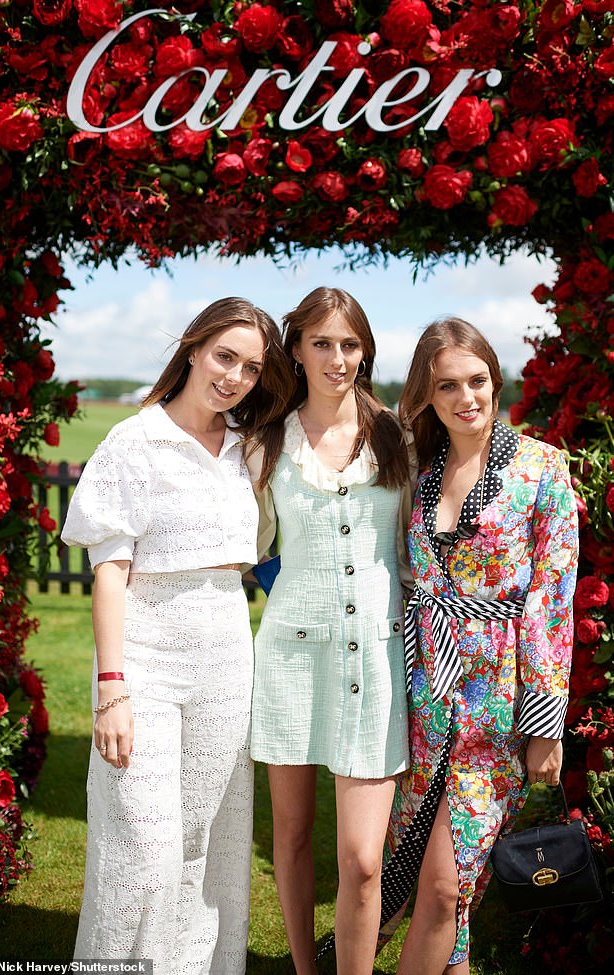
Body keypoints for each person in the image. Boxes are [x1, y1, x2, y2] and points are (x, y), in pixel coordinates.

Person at [61, 297, 294, 975]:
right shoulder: (134, 441)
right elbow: (110, 571)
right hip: (146, 657)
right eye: (225, 356)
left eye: (250, 367)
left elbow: (268, 553)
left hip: (226, 652)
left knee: (210, 843)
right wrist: (112, 689)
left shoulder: (249, 450)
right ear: (193, 349)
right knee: (144, 849)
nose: (234, 376)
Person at [382, 317, 578, 975]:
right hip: (421, 705)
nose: (467, 397)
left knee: (442, 886)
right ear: (428, 395)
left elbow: (552, 602)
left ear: (497, 381)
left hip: (498, 712)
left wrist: (545, 727)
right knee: (448, 900)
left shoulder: (541, 468)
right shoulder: (417, 470)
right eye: (447, 385)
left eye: (477, 380)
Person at [248, 286, 412, 975]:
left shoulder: (397, 436)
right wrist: (285, 587)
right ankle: (303, 968)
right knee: (290, 837)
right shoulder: (266, 441)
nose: (337, 356)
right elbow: (251, 548)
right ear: (296, 350)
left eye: (350, 343)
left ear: (365, 351)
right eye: (322, 342)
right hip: (290, 657)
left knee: (364, 860)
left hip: (374, 662)